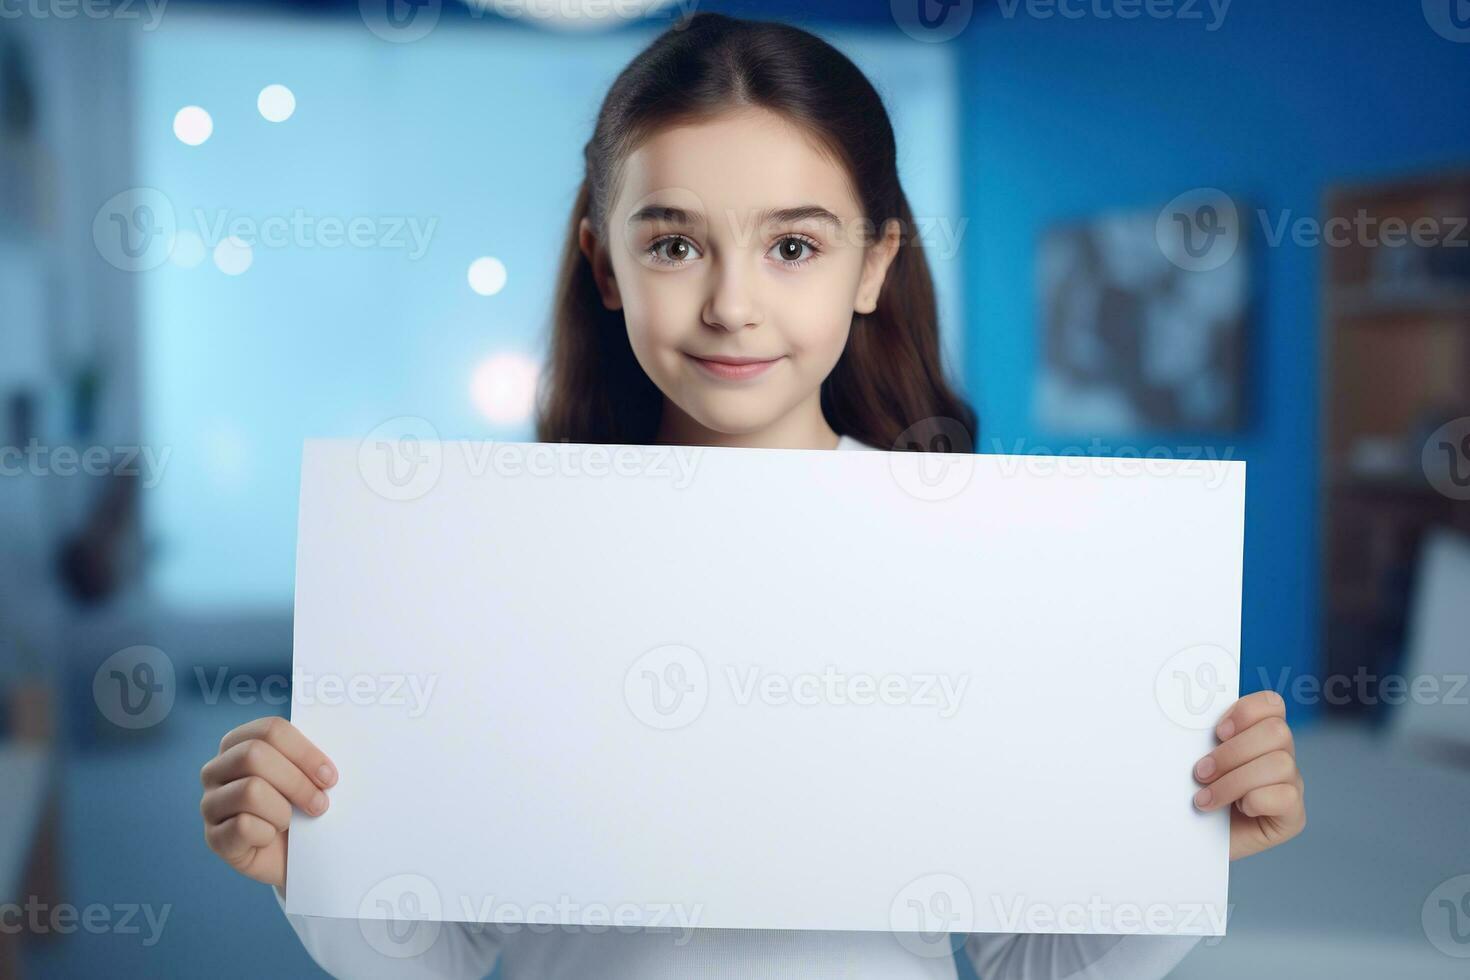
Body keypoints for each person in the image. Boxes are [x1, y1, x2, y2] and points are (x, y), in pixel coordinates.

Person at [198, 13, 1305, 978]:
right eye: (675, 243)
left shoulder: (972, 561)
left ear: (872, 265)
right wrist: (313, 863)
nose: (733, 304)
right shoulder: (494, 559)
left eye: (792, 245)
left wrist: (1185, 845)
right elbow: (439, 951)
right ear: (605, 265)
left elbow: (1034, 959)